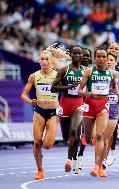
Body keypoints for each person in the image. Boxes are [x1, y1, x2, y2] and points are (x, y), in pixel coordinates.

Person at [78, 45, 119, 177]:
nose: (102, 59)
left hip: (103, 106)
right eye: (99, 56)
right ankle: (85, 136)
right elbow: (79, 91)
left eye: (104, 57)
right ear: (95, 58)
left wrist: (118, 94)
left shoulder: (111, 73)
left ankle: (97, 166)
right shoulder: (89, 72)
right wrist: (87, 93)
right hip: (89, 105)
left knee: (100, 136)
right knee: (88, 137)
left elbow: (114, 87)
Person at [21, 50, 59, 180]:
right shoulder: (34, 76)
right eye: (42, 59)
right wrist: (30, 101)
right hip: (39, 111)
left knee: (47, 145)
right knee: (37, 142)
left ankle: (42, 152)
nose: (44, 61)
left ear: (51, 60)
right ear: (39, 61)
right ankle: (40, 170)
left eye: (47, 59)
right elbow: (23, 95)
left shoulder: (58, 75)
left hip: (53, 112)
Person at [51, 46, 85, 173]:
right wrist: (68, 86)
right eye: (74, 53)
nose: (77, 55)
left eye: (79, 53)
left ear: (81, 56)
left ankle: (70, 160)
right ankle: (73, 156)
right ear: (71, 55)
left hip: (79, 104)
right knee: (67, 137)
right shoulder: (64, 70)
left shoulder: (86, 71)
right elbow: (53, 88)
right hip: (65, 103)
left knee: (75, 130)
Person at [102, 53, 119, 169]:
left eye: (111, 60)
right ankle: (101, 158)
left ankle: (103, 159)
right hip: (100, 108)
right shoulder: (98, 74)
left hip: (113, 109)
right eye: (107, 59)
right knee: (99, 135)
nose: (108, 62)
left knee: (107, 136)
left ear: (115, 62)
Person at [77, 47, 92, 170]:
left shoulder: (92, 71)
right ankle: (75, 155)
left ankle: (80, 156)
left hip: (87, 103)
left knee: (84, 132)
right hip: (73, 102)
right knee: (74, 132)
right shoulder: (72, 69)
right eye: (84, 55)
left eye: (88, 56)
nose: (85, 57)